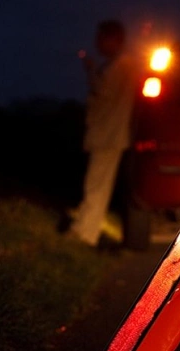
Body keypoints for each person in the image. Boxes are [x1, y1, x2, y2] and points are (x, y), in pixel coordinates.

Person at [69, 20, 137, 246]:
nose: (98, 43)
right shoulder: (119, 65)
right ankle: (84, 230)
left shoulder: (122, 65)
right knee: (95, 184)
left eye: (101, 39)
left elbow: (103, 92)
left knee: (97, 186)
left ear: (113, 40)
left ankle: (85, 234)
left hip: (109, 135)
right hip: (107, 135)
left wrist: (91, 72)